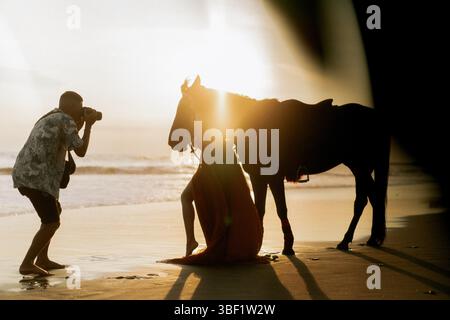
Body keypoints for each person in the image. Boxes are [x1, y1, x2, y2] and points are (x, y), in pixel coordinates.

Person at [12, 91, 98, 276]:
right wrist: (89, 125)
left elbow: (70, 142)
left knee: (54, 211)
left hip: (26, 174)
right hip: (36, 177)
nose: (82, 112)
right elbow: (81, 150)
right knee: (51, 222)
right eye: (80, 109)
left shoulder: (51, 116)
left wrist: (80, 124)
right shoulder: (66, 119)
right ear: (72, 108)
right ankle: (27, 263)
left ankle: (43, 259)